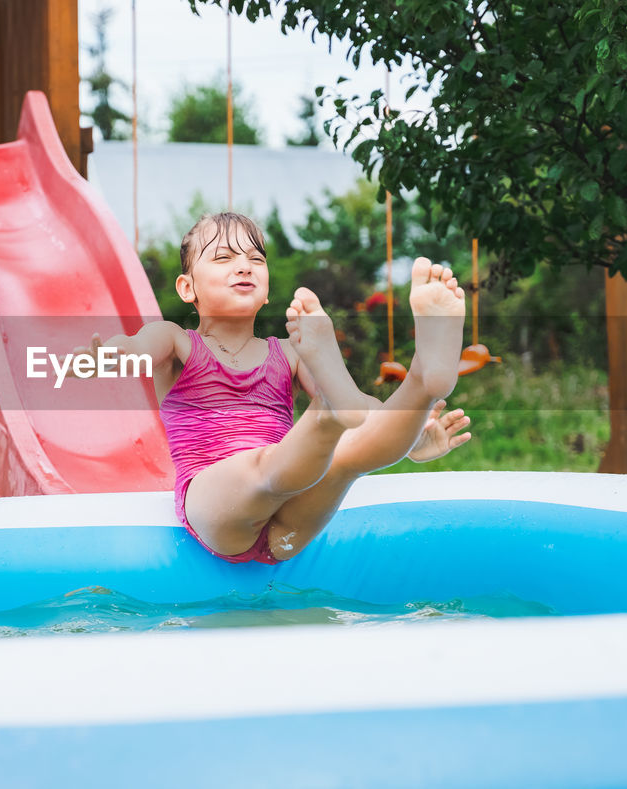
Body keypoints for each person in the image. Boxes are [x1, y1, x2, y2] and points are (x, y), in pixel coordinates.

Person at [76, 211, 472, 564]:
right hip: (217, 502)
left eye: (256, 260)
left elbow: (362, 410)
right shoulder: (176, 341)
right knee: (285, 457)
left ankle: (423, 381)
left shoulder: (289, 352)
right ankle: (337, 412)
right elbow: (135, 349)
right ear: (186, 288)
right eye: (223, 258)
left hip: (286, 523)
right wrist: (103, 358)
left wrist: (415, 436)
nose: (244, 267)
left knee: (345, 448)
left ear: (266, 292)